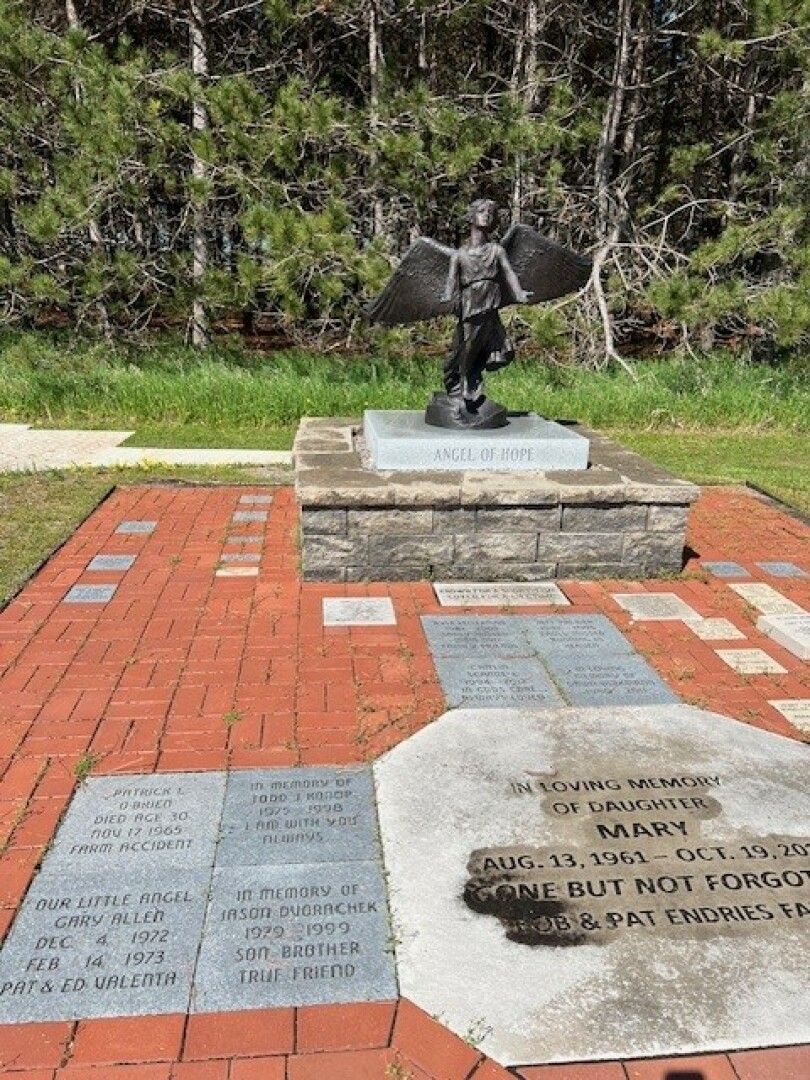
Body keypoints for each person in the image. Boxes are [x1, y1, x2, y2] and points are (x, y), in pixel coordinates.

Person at [440, 198, 531, 404]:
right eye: (481, 211)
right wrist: (447, 296)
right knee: (469, 343)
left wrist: (519, 293)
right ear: (471, 217)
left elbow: (509, 273)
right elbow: (451, 283)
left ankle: (472, 380)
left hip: (491, 301)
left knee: (483, 344)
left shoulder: (496, 250)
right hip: (471, 303)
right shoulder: (459, 255)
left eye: (490, 212)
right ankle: (463, 380)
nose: (486, 215)